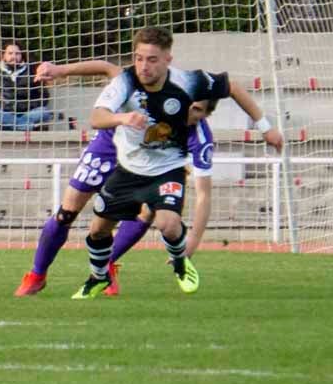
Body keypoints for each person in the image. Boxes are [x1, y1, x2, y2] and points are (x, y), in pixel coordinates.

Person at [72, 26, 282, 299]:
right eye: (138, 58)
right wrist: (122, 119)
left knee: (167, 223)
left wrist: (266, 127)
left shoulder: (189, 84)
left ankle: (181, 262)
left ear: (168, 59)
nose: (143, 66)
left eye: (152, 59)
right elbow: (97, 117)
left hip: (166, 169)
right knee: (98, 230)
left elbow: (232, 87)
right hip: (129, 168)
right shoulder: (125, 82)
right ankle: (98, 277)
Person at [15, 58, 218, 297]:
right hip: (108, 147)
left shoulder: (198, 134)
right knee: (67, 213)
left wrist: (190, 247)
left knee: (146, 209)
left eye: (197, 109)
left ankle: (107, 265)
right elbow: (107, 68)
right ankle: (37, 275)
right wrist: (60, 71)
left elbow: (204, 195)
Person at [0, 42, 53, 131]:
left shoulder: (32, 71)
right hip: (4, 113)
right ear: (3, 55)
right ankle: (26, 126)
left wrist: (29, 105)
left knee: (44, 112)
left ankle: (9, 126)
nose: (14, 57)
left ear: (22, 55)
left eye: (17, 53)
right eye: (10, 53)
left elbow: (44, 95)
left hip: (28, 113)